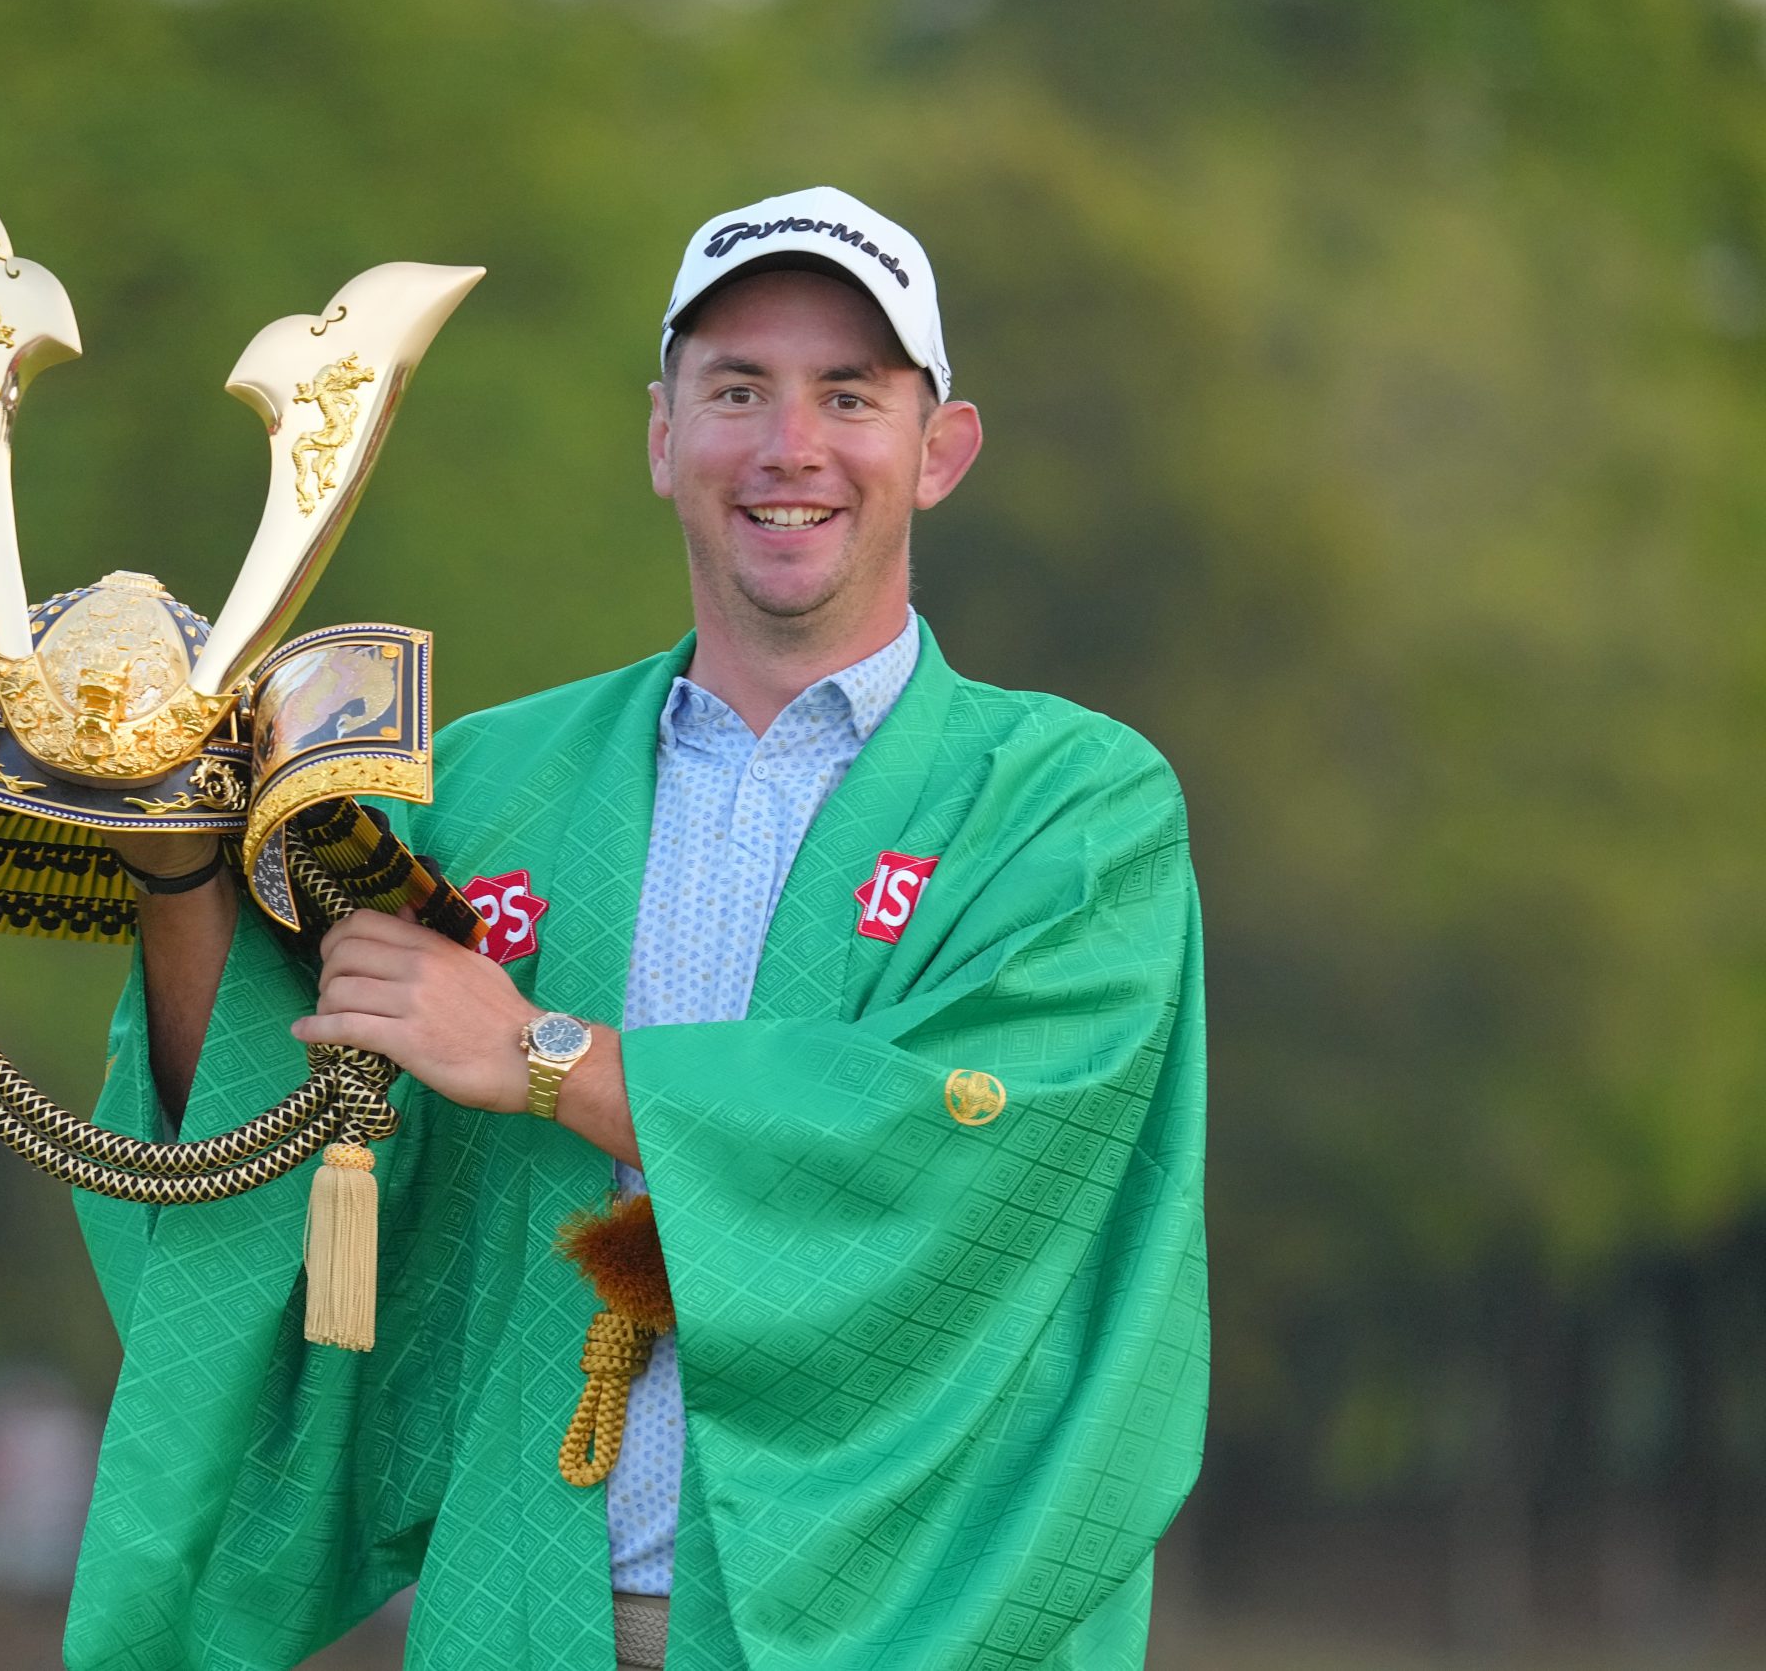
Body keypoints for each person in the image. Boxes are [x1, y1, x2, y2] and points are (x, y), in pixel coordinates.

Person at [76, 186, 1207, 1671]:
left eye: (849, 396)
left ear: (941, 451)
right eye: (736, 391)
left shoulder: (1069, 806)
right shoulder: (478, 787)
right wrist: (174, 878)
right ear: (663, 436)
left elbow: (957, 1150)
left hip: (906, 1633)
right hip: (519, 1615)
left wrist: (540, 1052)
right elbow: (273, 1130)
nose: (789, 446)